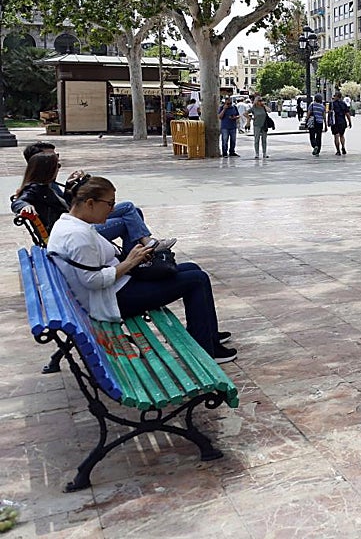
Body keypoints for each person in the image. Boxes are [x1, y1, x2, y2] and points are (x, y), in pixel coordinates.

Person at [45, 175, 236, 363]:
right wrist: (130, 262)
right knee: (197, 280)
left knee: (192, 269)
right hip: (111, 300)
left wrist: (133, 259)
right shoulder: (77, 235)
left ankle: (207, 333)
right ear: (90, 203)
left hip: (116, 288)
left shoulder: (71, 224)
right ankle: (206, 348)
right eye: (109, 204)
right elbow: (94, 280)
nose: (112, 209)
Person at [12, 152, 176, 256]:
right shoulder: (35, 189)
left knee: (133, 211)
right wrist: (24, 206)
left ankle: (141, 249)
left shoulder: (49, 185)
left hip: (75, 223)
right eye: (58, 166)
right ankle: (141, 251)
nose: (59, 169)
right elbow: (19, 201)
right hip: (73, 231)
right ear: (46, 170)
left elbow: (69, 206)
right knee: (127, 217)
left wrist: (70, 185)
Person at [329, 89, 352, 155]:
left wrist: (328, 122)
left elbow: (329, 113)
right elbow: (347, 114)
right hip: (342, 121)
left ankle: (338, 150)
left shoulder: (332, 104)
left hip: (335, 122)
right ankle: (343, 147)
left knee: (336, 136)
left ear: (336, 96)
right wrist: (350, 122)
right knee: (342, 135)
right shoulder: (343, 104)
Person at [249, 95, 272, 159]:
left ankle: (264, 153)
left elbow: (269, 111)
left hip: (264, 125)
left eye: (261, 100)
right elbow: (245, 113)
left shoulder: (263, 107)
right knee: (257, 140)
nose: (261, 102)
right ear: (256, 101)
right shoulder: (254, 108)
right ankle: (257, 154)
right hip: (257, 125)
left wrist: (264, 105)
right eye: (259, 101)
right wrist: (251, 119)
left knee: (264, 140)